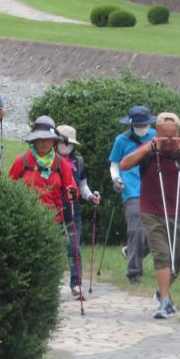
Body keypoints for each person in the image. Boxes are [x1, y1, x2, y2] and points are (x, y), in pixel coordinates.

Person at [120, 112, 180, 319]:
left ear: (179, 134)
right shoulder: (149, 149)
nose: (168, 140)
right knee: (162, 256)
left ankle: (161, 290)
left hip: (178, 211)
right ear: (156, 133)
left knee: (178, 259)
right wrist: (149, 148)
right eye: (163, 135)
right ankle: (165, 302)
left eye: (172, 136)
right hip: (151, 211)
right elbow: (124, 164)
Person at [109, 105, 155, 284]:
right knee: (136, 229)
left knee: (156, 233)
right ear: (131, 125)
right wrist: (116, 180)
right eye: (138, 125)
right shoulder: (121, 140)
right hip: (131, 190)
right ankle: (134, 273)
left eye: (145, 125)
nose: (142, 128)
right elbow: (114, 165)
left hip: (153, 189)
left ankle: (132, 252)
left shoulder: (156, 137)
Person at [57, 125, 102, 299]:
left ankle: (76, 284)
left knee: (73, 247)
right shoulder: (49, 160)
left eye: (69, 144)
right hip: (52, 209)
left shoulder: (79, 161)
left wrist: (91, 197)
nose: (66, 147)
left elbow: (82, 185)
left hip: (73, 210)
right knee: (53, 248)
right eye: (62, 143)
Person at [9, 115, 78, 222]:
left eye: (48, 139)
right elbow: (9, 188)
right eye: (40, 138)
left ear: (54, 141)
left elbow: (72, 192)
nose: (44, 142)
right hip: (24, 219)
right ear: (34, 140)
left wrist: (72, 193)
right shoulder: (21, 162)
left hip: (53, 222)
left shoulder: (62, 164)